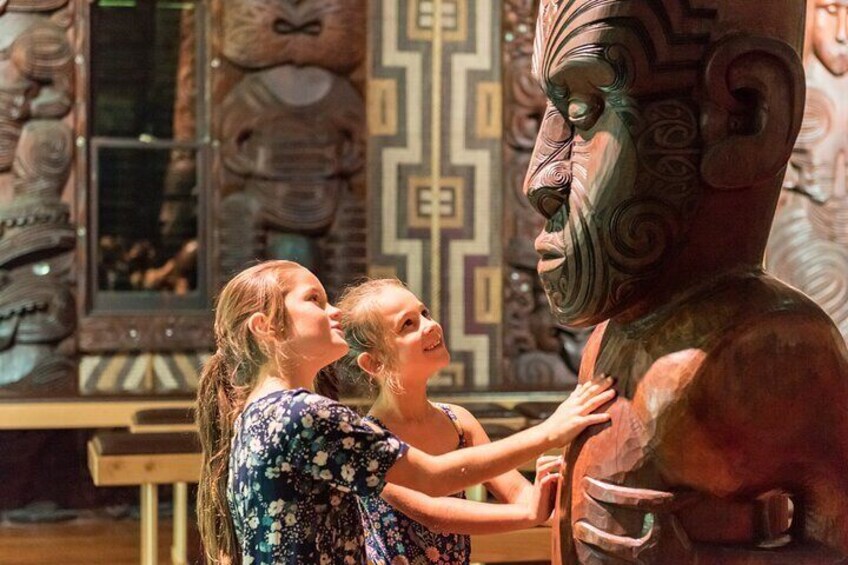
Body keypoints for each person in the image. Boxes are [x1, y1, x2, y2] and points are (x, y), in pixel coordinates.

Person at [195, 260, 615, 564]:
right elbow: (431, 481)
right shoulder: (303, 413)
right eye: (315, 301)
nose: (334, 310)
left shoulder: (261, 412)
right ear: (264, 328)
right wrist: (551, 432)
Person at [337, 278, 582, 564]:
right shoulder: (369, 439)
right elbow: (434, 514)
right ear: (374, 363)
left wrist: (564, 510)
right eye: (408, 324)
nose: (430, 325)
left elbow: (515, 490)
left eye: (424, 313)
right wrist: (530, 512)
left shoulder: (458, 421)